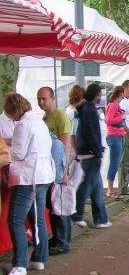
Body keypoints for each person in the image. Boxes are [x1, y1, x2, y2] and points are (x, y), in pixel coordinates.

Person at [4, 93, 55, 275]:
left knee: (15, 219)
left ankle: (20, 263)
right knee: (37, 217)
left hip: (29, 177)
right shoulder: (38, 122)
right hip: (44, 175)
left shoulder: (22, 125)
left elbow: (17, 153)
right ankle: (39, 258)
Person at [36, 87, 72, 256]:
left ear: (52, 98)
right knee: (52, 205)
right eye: (39, 99)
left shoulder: (61, 117)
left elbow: (66, 145)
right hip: (50, 168)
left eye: (44, 99)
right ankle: (57, 238)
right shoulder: (44, 118)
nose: (41, 102)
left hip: (58, 167)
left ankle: (63, 242)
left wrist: (64, 172)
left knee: (60, 205)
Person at [73, 84, 111, 229]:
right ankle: (76, 213)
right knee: (88, 184)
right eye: (100, 94)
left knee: (96, 187)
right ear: (96, 95)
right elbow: (92, 133)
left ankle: (101, 218)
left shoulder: (84, 109)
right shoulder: (89, 110)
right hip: (90, 153)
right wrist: (97, 151)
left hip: (87, 152)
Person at [105, 86, 126, 198]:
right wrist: (121, 117)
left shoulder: (116, 105)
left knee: (116, 163)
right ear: (121, 94)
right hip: (114, 136)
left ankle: (111, 188)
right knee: (114, 163)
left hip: (119, 135)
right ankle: (109, 190)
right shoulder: (112, 105)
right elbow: (108, 120)